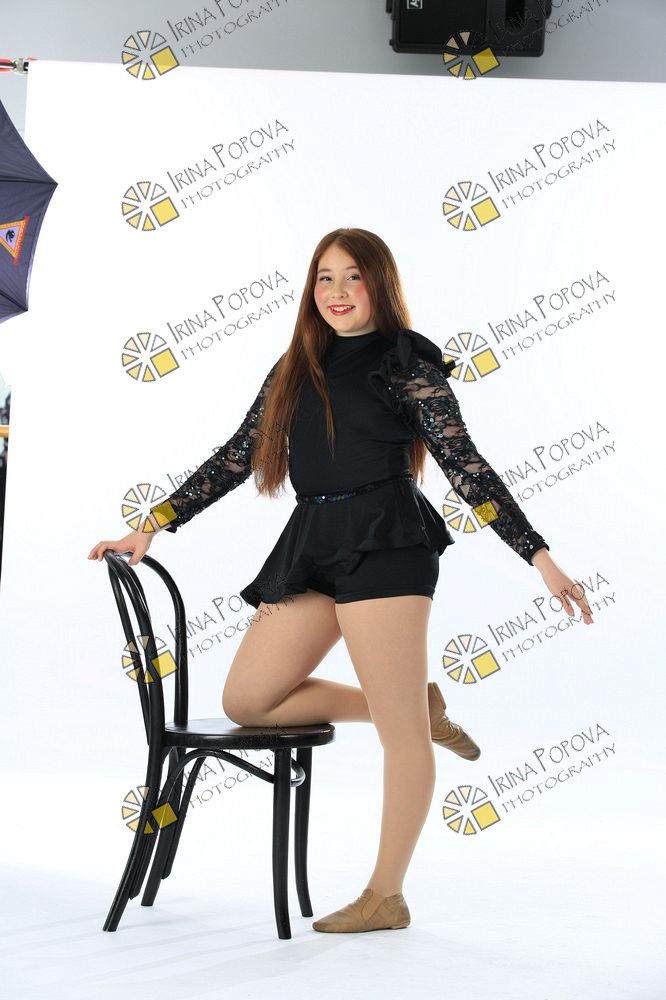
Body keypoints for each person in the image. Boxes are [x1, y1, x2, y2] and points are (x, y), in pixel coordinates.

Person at [88, 227, 594, 934]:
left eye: (352, 276)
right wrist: (154, 523)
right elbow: (239, 453)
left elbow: (464, 464)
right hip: (314, 539)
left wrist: (537, 554)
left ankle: (386, 895)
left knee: (398, 738)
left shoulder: (405, 360)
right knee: (249, 699)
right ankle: (414, 707)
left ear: (378, 283)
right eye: (323, 277)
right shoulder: (297, 364)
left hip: (387, 540)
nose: (336, 291)